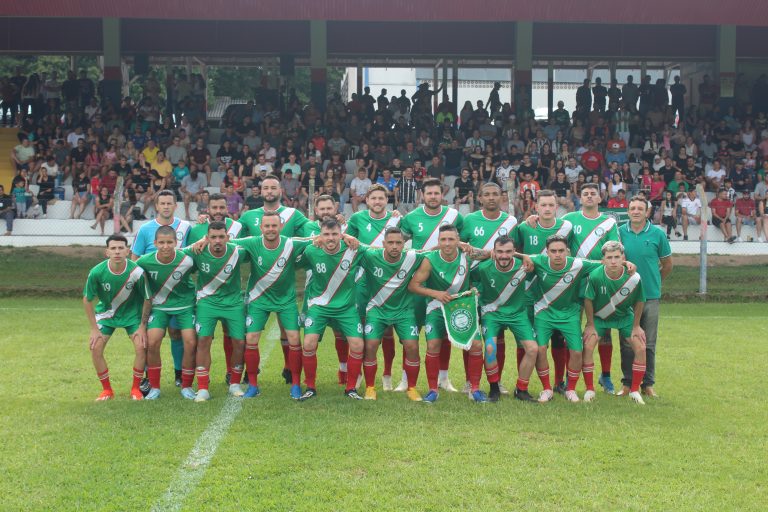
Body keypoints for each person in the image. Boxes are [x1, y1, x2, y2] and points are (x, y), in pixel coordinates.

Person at [232, 211, 314, 399]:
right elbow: (226, 243)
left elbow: (316, 239)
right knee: (251, 338)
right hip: (259, 299)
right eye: (267, 226)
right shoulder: (252, 242)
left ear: (280, 227)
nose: (270, 229)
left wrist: (346, 236)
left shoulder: (290, 243)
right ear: (261, 228)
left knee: (294, 338)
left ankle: (295, 383)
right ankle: (253, 385)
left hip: (285, 300)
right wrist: (202, 241)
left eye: (274, 226)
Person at [408, 224, 492, 403]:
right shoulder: (429, 259)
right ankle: (432, 390)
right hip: (437, 307)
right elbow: (413, 285)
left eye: (451, 239)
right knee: (433, 346)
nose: (447, 243)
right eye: (443, 240)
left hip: (462, 307)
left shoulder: (467, 255)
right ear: (438, 242)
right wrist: (436, 294)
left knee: (476, 345)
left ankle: (474, 389)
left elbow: (489, 254)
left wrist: (464, 245)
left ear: (458, 240)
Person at [239, 175, 311, 381]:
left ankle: (289, 369)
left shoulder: (293, 214)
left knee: (286, 330)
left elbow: (312, 231)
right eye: (266, 188)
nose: (269, 191)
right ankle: (250, 372)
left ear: (280, 191)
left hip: (284, 282)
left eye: (273, 188)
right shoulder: (249, 215)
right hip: (259, 284)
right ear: (261, 191)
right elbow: (229, 233)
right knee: (251, 334)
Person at [517, 235, 606, 402]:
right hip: (544, 311)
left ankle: (570, 389)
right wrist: (523, 256)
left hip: (569, 313)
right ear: (547, 252)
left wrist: (626, 264)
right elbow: (513, 255)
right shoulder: (539, 261)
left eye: (561, 251)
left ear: (568, 251)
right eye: (553, 251)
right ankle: (546, 389)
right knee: (541, 349)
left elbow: (603, 263)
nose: (557, 254)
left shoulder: (578, 264)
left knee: (577, 352)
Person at [400, 178, 464, 393]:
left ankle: (443, 379)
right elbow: (398, 243)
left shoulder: (454, 216)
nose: (433, 197)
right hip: (418, 281)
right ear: (422, 195)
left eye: (437, 193)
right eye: (429, 193)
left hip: (443, 281)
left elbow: (461, 243)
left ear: (441, 195)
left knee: (442, 332)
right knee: (411, 331)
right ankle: (404, 378)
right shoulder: (410, 218)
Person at [297, 219, 366, 401]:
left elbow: (376, 252)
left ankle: (350, 388)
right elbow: (293, 253)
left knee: (358, 345)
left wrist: (348, 237)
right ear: (320, 235)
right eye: (326, 234)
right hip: (319, 306)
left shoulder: (353, 249)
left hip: (346, 308)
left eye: (335, 234)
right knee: (309, 343)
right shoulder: (312, 250)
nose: (331, 238)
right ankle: (310, 387)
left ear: (341, 234)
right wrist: (311, 240)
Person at [460, 182, 518, 393]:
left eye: (495, 194)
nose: (491, 197)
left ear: (502, 197)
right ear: (480, 198)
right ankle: (469, 381)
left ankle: (498, 380)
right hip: (472, 285)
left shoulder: (511, 221)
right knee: (471, 335)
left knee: (497, 335)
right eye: (487, 194)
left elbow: (516, 249)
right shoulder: (469, 220)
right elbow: (460, 246)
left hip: (499, 288)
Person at [515, 190, 573, 394]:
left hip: (556, 294)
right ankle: (523, 382)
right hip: (529, 293)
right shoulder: (524, 227)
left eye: (551, 205)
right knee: (526, 340)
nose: (547, 209)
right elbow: (511, 251)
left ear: (556, 207)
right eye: (543, 205)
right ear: (536, 207)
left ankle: (559, 382)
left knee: (558, 339)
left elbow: (572, 257)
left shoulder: (567, 228)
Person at [131, 189, 192, 387]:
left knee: (176, 333)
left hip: (177, 290)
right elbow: (135, 261)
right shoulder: (145, 230)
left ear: (176, 206)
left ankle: (179, 373)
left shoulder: (186, 227)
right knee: (151, 338)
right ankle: (149, 378)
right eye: (162, 203)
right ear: (156, 206)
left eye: (169, 203)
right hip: (153, 294)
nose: (166, 206)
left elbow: (192, 255)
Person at [345, 184, 402, 390]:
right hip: (362, 280)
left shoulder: (397, 220)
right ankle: (358, 373)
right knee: (360, 329)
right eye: (374, 198)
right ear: (366, 200)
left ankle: (387, 374)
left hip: (386, 281)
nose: (378, 201)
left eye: (382, 198)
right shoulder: (357, 219)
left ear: (387, 200)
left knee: (386, 330)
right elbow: (346, 240)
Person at [186, 221, 249, 401]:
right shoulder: (198, 251)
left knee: (239, 342)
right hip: (207, 302)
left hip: (233, 303)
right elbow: (174, 255)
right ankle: (203, 387)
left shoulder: (238, 251)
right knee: (204, 340)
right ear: (207, 238)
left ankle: (235, 383)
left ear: (228, 238)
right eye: (213, 237)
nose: (217, 241)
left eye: (221, 237)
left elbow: (260, 245)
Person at [359, 227, 424, 402]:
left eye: (398, 243)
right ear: (383, 244)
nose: (394, 246)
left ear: (404, 244)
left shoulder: (411, 257)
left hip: (404, 311)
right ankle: (370, 387)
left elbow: (433, 252)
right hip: (377, 309)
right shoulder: (372, 256)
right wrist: (344, 235)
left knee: (412, 346)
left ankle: (411, 388)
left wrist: (462, 245)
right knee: (371, 344)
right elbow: (354, 245)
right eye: (391, 243)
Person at [83, 235, 149, 401]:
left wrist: (142, 326)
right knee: (96, 348)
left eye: (121, 248)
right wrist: (94, 329)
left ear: (127, 251)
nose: (117, 251)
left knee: (141, 347)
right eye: (113, 248)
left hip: (132, 316)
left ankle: (135, 389)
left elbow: (148, 298)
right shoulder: (97, 272)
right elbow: (87, 299)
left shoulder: (137, 272)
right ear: (107, 252)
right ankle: (107, 391)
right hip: (107, 315)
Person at [471, 236, 537, 402]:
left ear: (514, 252)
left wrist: (524, 257)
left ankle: (521, 390)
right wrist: (474, 288)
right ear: (493, 252)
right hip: (491, 313)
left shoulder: (525, 266)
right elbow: (470, 278)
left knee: (533, 349)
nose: (504, 256)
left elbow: (545, 262)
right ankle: (494, 389)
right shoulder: (484, 267)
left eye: (508, 252)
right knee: (491, 348)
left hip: (517, 314)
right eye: (499, 252)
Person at [136, 226, 198, 400]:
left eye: (169, 242)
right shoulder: (144, 262)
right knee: (153, 341)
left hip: (185, 306)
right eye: (161, 242)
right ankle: (155, 387)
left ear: (176, 243)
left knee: (190, 342)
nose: (165, 246)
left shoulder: (187, 259)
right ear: (155, 243)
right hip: (159, 307)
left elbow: (201, 252)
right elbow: (131, 277)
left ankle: (186, 386)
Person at [619, 196, 673, 398]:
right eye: (632, 208)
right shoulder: (619, 233)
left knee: (648, 342)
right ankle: (627, 383)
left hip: (650, 296)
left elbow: (667, 265)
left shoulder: (658, 234)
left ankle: (647, 384)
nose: (635, 211)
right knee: (627, 342)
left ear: (647, 212)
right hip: (625, 296)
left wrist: (655, 281)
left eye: (640, 208)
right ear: (628, 211)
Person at [582, 241, 647, 404]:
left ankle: (634, 390)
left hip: (625, 317)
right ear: (602, 259)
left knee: (640, 348)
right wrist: (590, 324)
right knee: (588, 346)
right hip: (599, 318)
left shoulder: (633, 277)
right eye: (609, 257)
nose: (613, 261)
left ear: (623, 258)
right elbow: (588, 300)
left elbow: (640, 300)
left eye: (617, 257)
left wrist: (637, 326)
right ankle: (590, 389)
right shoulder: (595, 275)